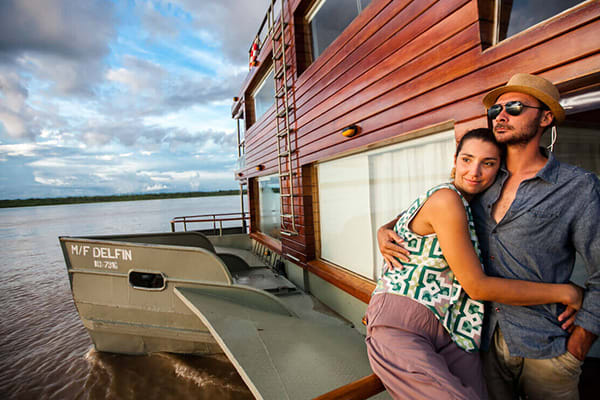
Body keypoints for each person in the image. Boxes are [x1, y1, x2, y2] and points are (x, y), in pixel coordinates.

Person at [377, 74, 600, 400]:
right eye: (496, 109)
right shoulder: (481, 179)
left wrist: (580, 344)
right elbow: (428, 209)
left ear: (546, 117)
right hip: (480, 343)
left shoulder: (579, 187)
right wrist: (385, 228)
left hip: (548, 346)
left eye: (514, 107)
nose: (501, 115)